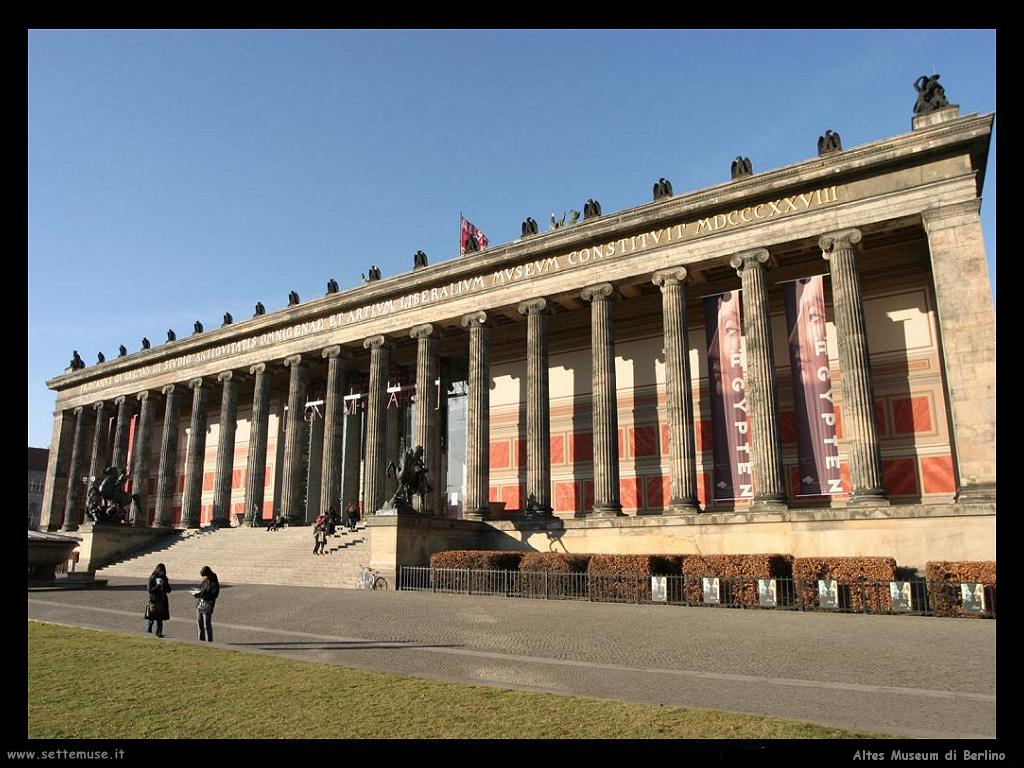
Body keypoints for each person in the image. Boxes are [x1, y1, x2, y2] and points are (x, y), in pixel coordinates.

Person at [192, 566, 220, 642]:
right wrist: (197, 593)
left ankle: (209, 641)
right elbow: (201, 589)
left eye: (205, 576)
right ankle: (201, 640)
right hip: (200, 603)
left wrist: (204, 594)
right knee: (199, 623)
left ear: (208, 574)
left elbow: (215, 594)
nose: (204, 577)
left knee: (206, 624)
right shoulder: (204, 580)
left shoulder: (214, 581)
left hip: (207, 604)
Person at [145, 563, 172, 637]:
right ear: (157, 570)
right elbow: (150, 590)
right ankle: (148, 630)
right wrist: (157, 585)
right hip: (154, 601)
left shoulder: (164, 578)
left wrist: (164, 584)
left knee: (160, 619)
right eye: (161, 571)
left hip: (162, 601)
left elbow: (169, 590)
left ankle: (159, 632)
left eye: (163, 572)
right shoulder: (152, 578)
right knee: (151, 618)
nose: (162, 573)